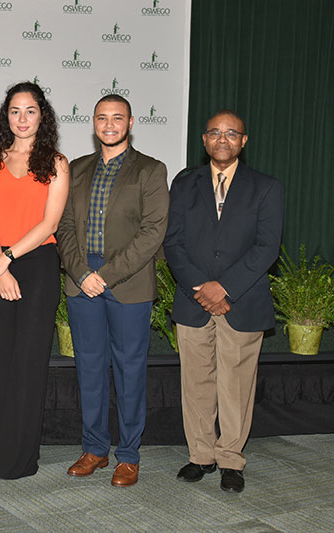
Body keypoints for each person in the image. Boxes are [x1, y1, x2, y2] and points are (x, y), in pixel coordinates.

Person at [163, 110, 283, 493]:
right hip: (193, 300)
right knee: (196, 383)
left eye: (231, 134)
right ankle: (200, 455)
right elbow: (173, 242)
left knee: (236, 385)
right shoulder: (184, 185)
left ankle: (231, 458)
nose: (222, 139)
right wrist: (202, 288)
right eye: (215, 133)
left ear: (243, 141)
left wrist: (224, 288)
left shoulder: (266, 187)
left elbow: (267, 248)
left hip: (241, 302)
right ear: (204, 140)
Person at [57, 95, 169, 487]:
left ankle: (129, 455)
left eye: (117, 118)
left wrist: (104, 275)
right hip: (80, 282)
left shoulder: (151, 171)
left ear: (130, 122)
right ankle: (95, 449)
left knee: (129, 371)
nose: (109, 124)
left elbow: (153, 232)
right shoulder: (76, 169)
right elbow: (65, 226)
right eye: (102, 118)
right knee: (89, 370)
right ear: (93, 122)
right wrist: (81, 271)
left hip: (127, 285)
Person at [0, 81, 69, 480]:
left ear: (42, 116)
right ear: (6, 116)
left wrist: (8, 259)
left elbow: (50, 223)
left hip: (36, 266)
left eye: (30, 111)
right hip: (0, 264)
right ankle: (5, 452)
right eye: (15, 111)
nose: (22, 118)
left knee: (30, 363)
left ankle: (23, 458)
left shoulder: (57, 163)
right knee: (5, 360)